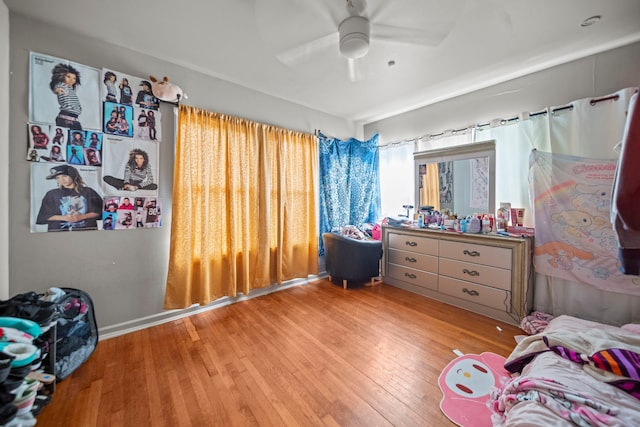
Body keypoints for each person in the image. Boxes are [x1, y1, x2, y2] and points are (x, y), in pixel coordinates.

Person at [36, 164, 102, 231]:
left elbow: (99, 212)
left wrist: (81, 217)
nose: (61, 180)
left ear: (73, 175)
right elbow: (45, 216)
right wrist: (65, 218)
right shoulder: (52, 194)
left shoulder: (88, 191)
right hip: (58, 235)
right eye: (57, 178)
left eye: (64, 176)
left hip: (86, 233)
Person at [49, 63, 83, 130]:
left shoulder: (70, 89)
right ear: (62, 77)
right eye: (68, 77)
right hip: (66, 118)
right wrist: (58, 90)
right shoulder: (62, 85)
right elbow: (57, 88)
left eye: (74, 78)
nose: (71, 80)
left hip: (74, 118)